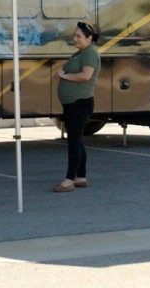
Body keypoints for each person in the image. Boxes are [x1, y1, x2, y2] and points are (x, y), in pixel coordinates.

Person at [52, 21, 100, 193]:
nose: (75, 39)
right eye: (74, 35)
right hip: (73, 104)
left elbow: (86, 76)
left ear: (89, 38)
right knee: (77, 139)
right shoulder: (80, 53)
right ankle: (81, 176)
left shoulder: (90, 54)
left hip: (80, 103)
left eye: (79, 36)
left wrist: (64, 75)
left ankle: (69, 179)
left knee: (73, 141)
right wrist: (62, 76)